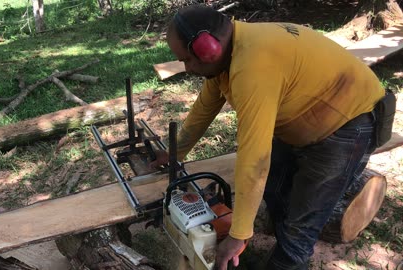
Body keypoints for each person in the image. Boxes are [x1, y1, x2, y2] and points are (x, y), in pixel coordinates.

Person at [152, 4, 392, 270]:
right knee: (276, 190)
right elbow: (203, 109)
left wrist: (238, 235)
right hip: (305, 119)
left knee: (300, 230)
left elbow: (254, 159)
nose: (186, 67)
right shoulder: (231, 54)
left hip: (349, 124)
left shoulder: (253, 66)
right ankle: (281, 238)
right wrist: (174, 152)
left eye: (186, 59)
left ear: (209, 49)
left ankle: (289, 256)